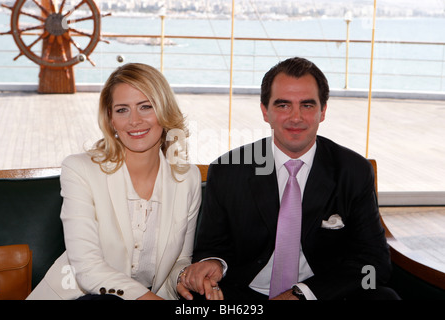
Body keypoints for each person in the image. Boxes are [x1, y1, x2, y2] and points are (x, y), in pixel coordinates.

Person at [177, 57, 399, 300]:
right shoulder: (229, 169)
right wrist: (214, 263)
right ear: (265, 111)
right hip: (244, 295)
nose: (296, 118)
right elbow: (210, 249)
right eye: (283, 105)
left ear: (323, 111)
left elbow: (374, 264)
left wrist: (302, 294)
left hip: (319, 294)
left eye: (307, 105)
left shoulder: (352, 170)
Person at [27, 63, 202, 300]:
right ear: (110, 118)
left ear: (164, 110)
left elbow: (179, 260)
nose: (134, 121)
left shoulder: (187, 178)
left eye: (146, 107)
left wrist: (184, 277)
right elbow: (87, 267)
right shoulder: (80, 169)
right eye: (122, 110)